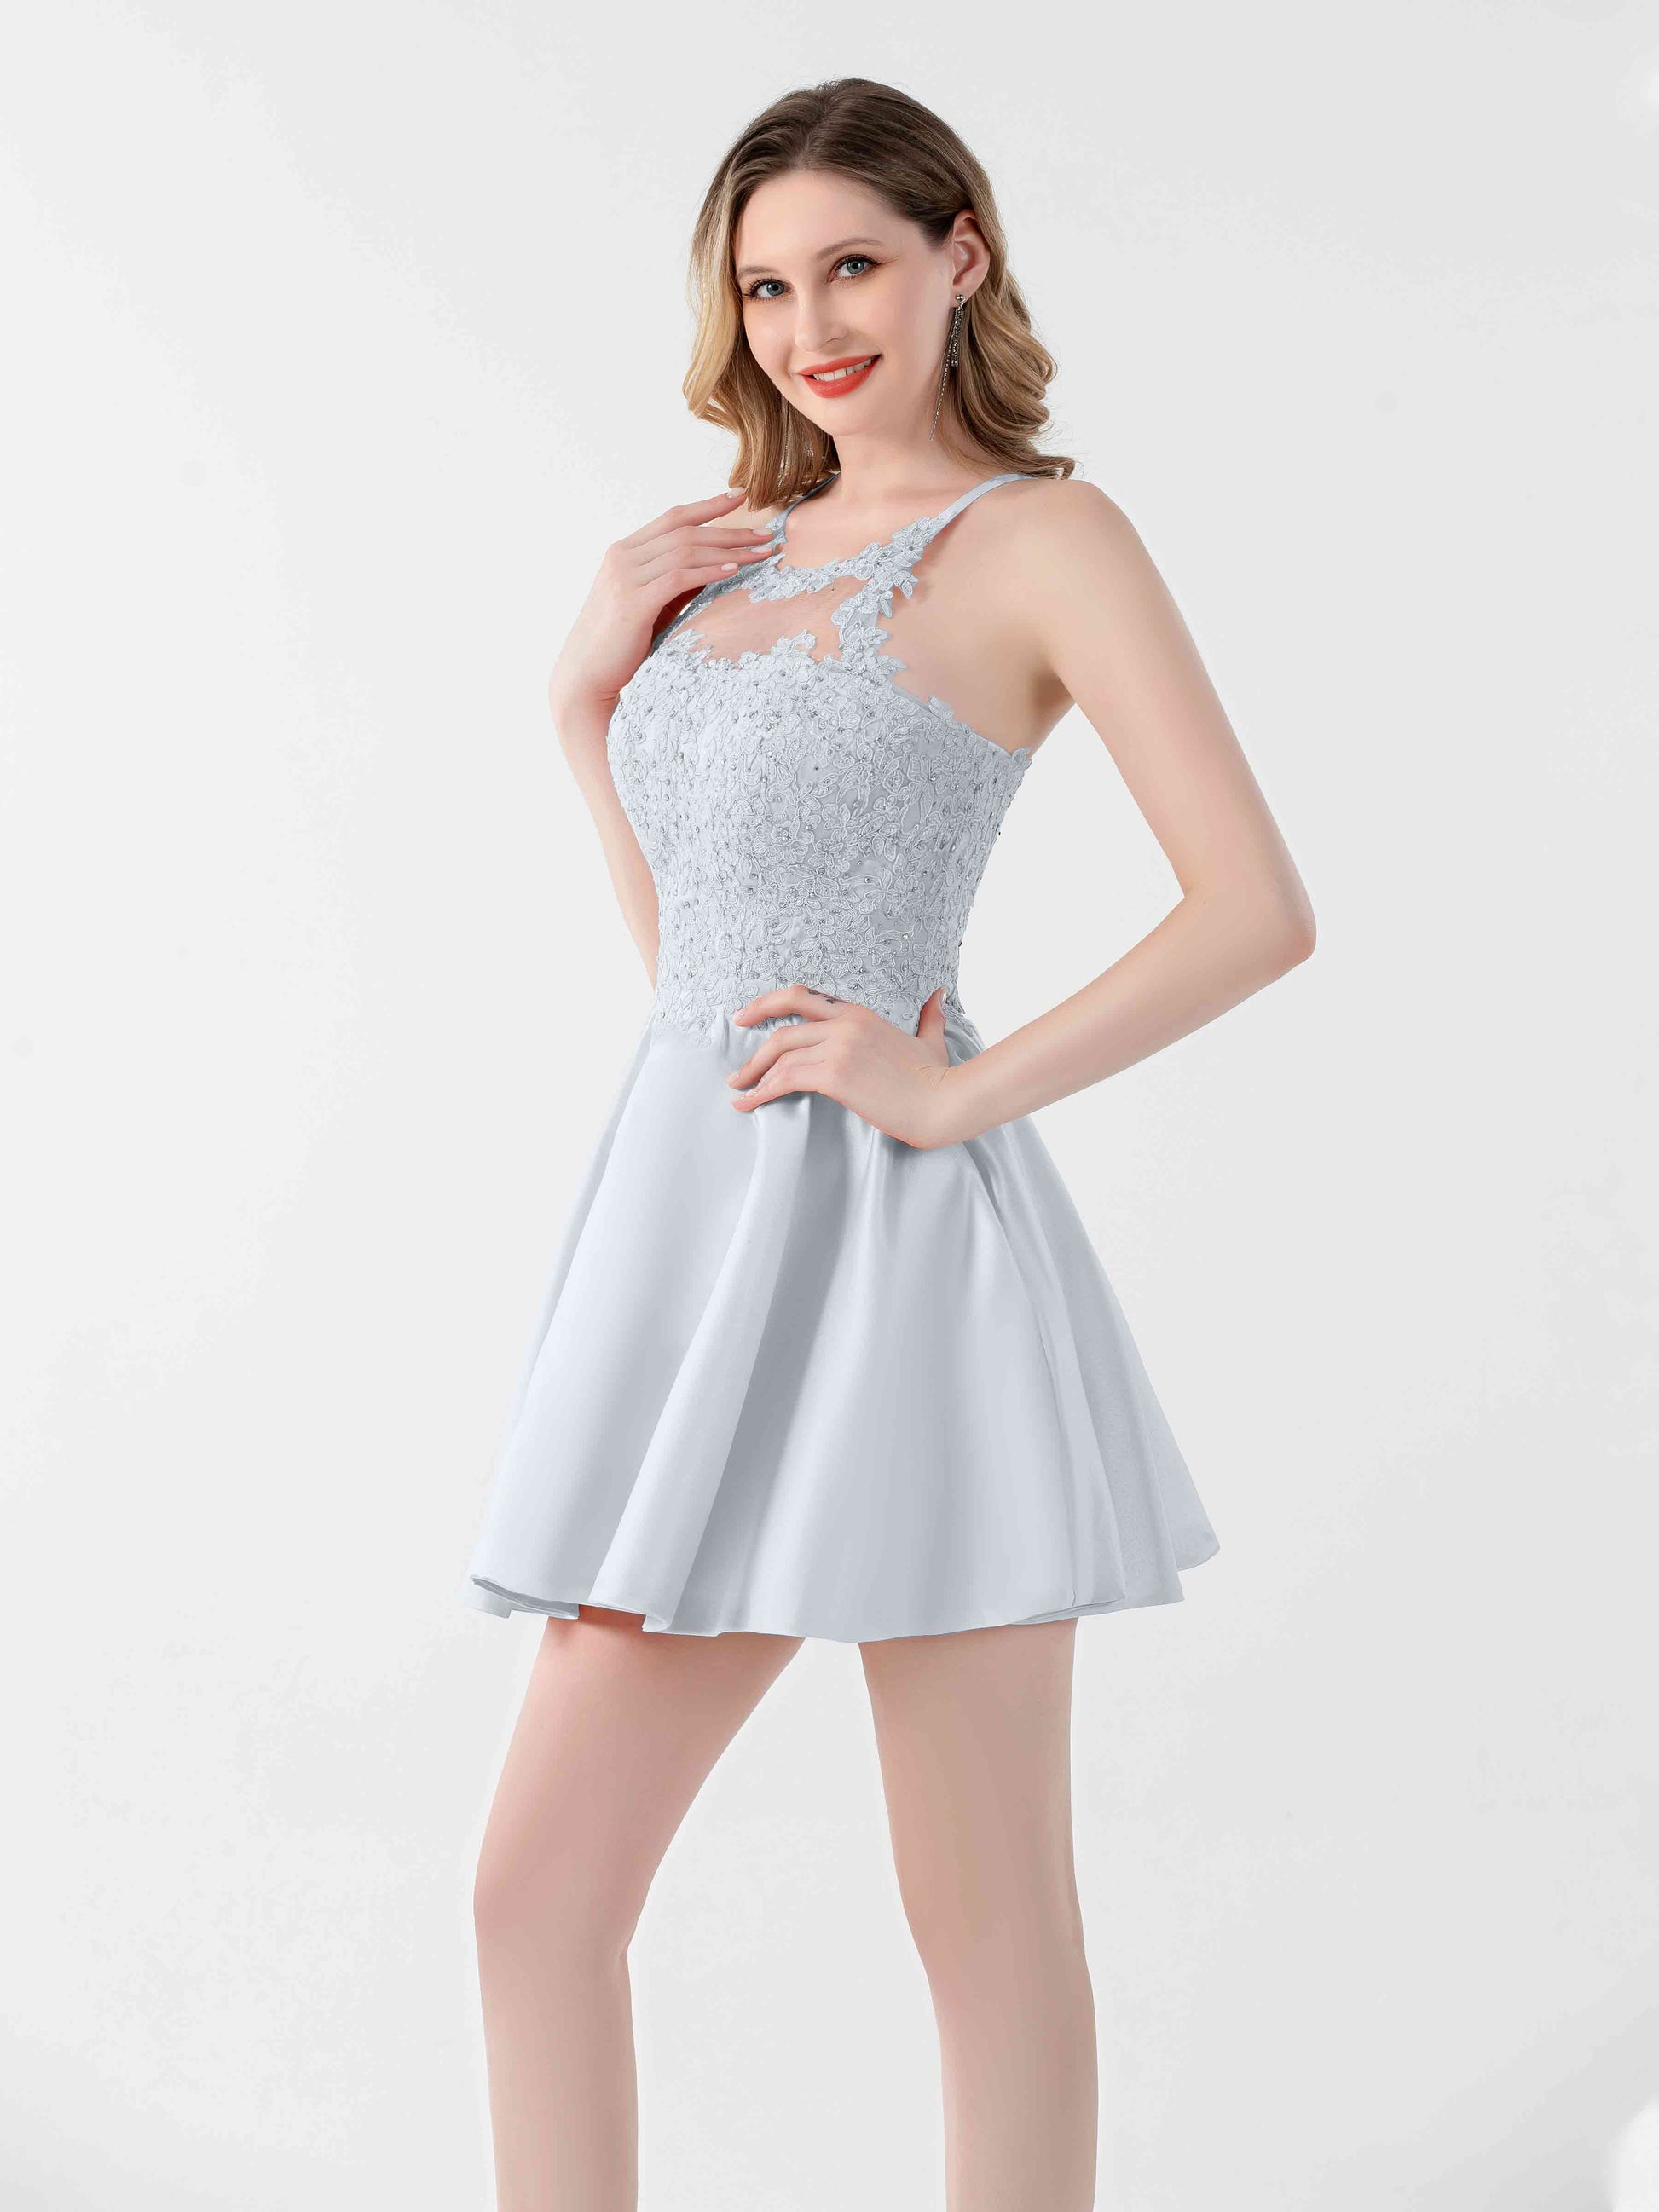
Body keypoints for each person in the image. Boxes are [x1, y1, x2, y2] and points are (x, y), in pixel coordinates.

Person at [461, 75, 1315, 2212]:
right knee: (536, 1894)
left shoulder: (1042, 541)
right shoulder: (718, 551)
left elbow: (1253, 907)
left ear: (961, 254)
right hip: (692, 1238)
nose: (808, 325)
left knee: (983, 1916)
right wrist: (580, 705)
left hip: (902, 1261)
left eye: (850, 264)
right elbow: (700, 963)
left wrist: (945, 1087)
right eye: (764, 286)